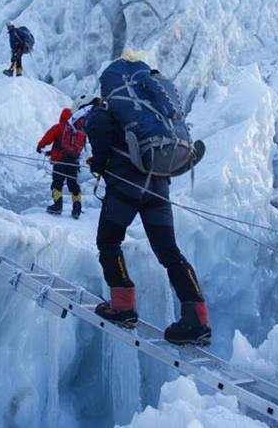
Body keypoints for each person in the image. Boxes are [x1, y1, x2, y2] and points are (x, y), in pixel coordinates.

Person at [84, 68, 212, 346]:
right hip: (159, 189)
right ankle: (198, 319)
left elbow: (100, 131)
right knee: (169, 252)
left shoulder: (105, 111)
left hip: (126, 188)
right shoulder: (152, 115)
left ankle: (122, 305)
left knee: (108, 242)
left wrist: (99, 162)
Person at [37, 107, 87, 218]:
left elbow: (48, 138)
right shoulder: (79, 131)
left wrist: (40, 146)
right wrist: (52, 152)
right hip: (73, 161)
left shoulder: (60, 127)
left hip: (60, 162)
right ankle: (77, 208)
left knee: (57, 184)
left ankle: (57, 206)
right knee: (73, 184)